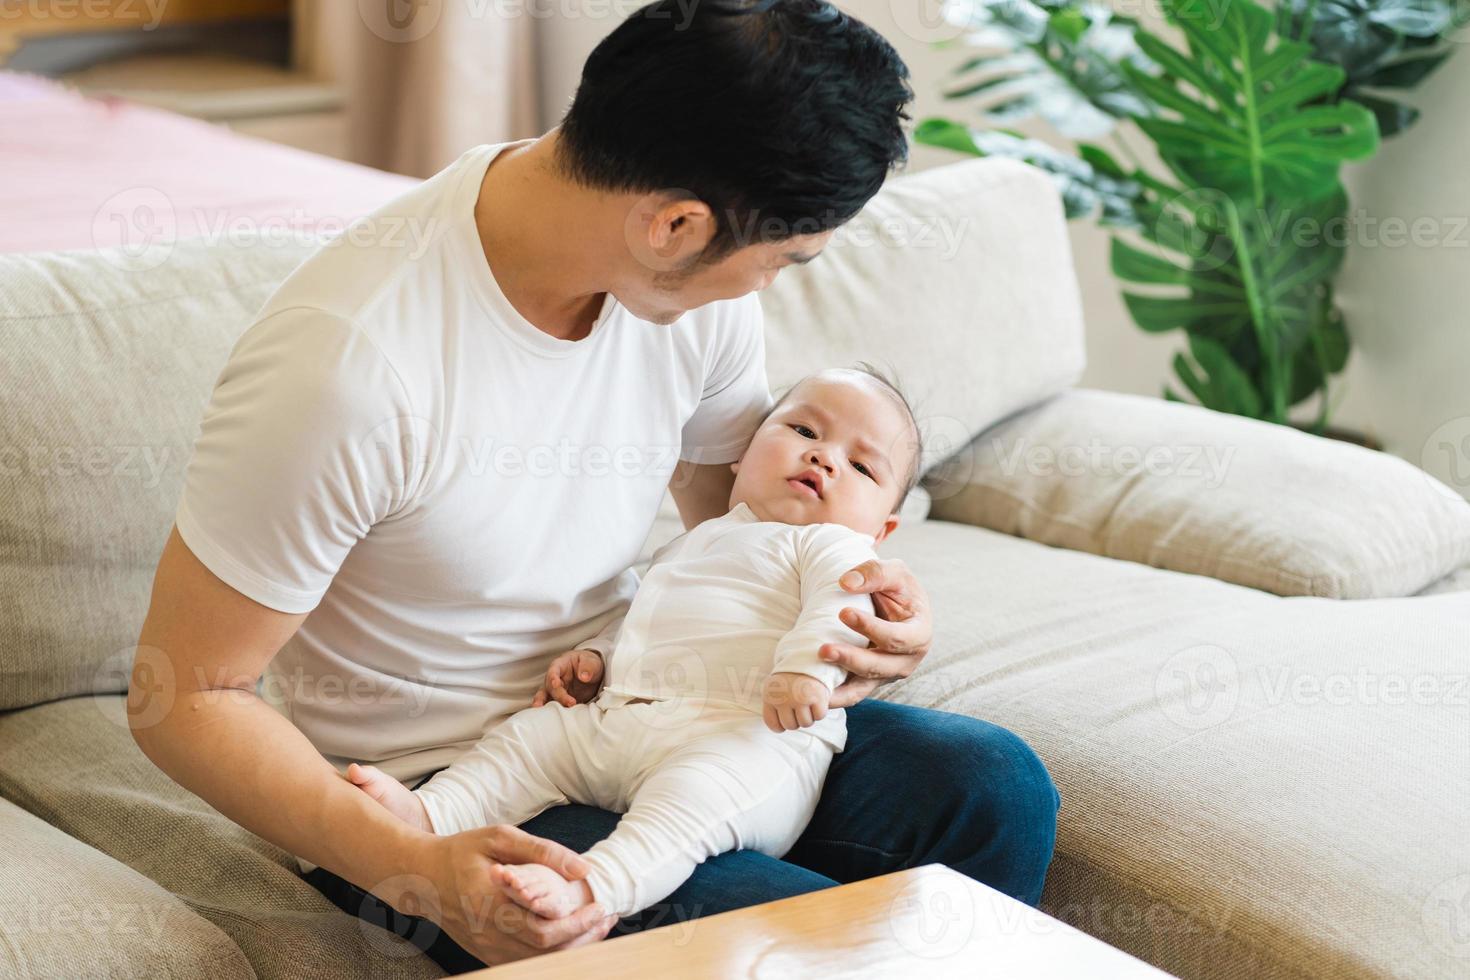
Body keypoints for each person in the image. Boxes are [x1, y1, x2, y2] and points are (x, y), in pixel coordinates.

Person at [128, 0, 1059, 972]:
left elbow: (739, 532)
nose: (769, 287)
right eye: (782, 258)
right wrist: (417, 862)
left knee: (993, 784)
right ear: (675, 224)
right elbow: (184, 694)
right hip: (446, 787)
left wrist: (860, 629)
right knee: (805, 949)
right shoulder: (348, 367)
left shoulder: (687, 296)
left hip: (660, 702)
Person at [346, 368, 918, 921]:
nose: (824, 457)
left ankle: (596, 885)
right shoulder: (697, 542)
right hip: (625, 723)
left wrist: (806, 672)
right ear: (739, 454)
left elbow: (839, 608)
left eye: (862, 465)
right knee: (532, 739)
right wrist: (599, 655)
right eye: (804, 431)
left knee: (687, 804)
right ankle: (432, 811)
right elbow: (647, 616)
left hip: (748, 739)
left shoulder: (833, 547)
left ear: (882, 530)